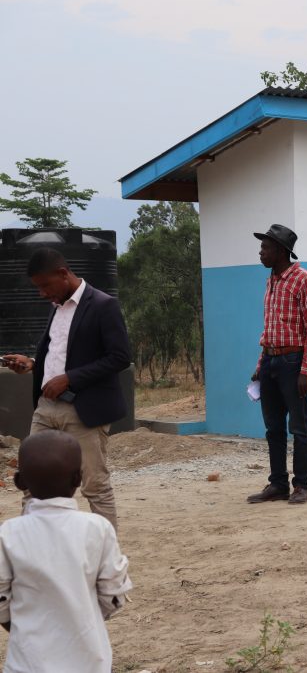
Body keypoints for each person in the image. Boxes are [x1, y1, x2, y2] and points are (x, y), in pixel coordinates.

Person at [1, 248, 130, 529]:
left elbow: (120, 357)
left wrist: (70, 378)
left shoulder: (103, 305)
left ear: (63, 274)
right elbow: (62, 353)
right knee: (31, 481)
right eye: (38, 287)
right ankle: (32, 549)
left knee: (94, 485)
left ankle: (104, 555)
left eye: (45, 285)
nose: (42, 293)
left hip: (84, 410)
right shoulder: (57, 306)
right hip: (46, 409)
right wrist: (32, 363)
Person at [0, 431, 132, 673]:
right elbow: (114, 595)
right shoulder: (98, 528)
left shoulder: (8, 534)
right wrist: (83, 620)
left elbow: (0, 599)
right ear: (78, 479)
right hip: (89, 661)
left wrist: (21, 625)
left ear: (19, 482)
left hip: (26, 663)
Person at [246, 225, 307, 505]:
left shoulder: (303, 279)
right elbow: (269, 327)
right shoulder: (272, 280)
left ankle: (301, 485)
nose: (261, 252)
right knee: (272, 427)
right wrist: (260, 363)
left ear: (280, 251)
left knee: (299, 428)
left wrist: (306, 370)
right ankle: (277, 484)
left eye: (265, 247)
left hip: (292, 362)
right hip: (270, 360)